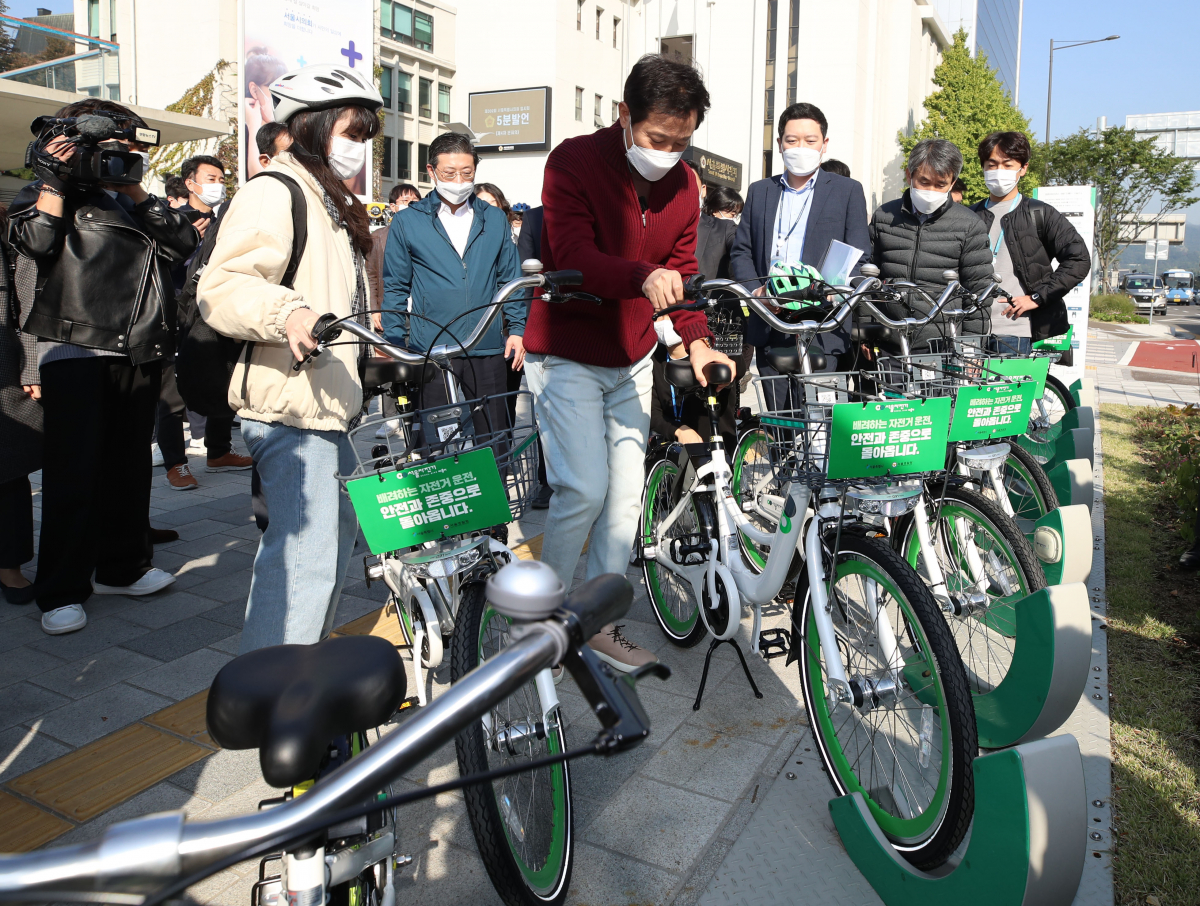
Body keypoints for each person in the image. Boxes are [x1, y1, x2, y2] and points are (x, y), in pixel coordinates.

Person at [522, 53, 734, 672]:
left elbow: (686, 275)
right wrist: (645, 276)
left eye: (682, 141)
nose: (668, 152)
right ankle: (537, 626)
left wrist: (695, 340)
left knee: (622, 502)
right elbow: (573, 252)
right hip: (568, 350)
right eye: (657, 138)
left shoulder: (687, 184)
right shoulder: (573, 161)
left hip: (633, 356)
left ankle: (597, 623)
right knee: (582, 489)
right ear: (624, 116)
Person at [197, 64, 382, 651]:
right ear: (312, 126)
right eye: (352, 132)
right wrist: (287, 314)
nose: (360, 147)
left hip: (328, 404)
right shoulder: (273, 191)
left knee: (329, 546)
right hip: (289, 405)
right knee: (303, 555)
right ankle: (279, 694)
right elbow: (221, 287)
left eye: (366, 136)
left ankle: (300, 672)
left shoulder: (327, 197)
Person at [9, 97, 197, 634]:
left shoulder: (128, 202)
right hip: (75, 349)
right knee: (74, 474)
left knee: (129, 469)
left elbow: (182, 242)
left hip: (137, 348)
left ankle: (123, 566)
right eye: (118, 146)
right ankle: (62, 590)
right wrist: (53, 179)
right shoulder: (45, 194)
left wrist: (134, 186)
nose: (125, 155)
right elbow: (36, 244)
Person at [381, 133, 524, 446]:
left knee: (494, 436)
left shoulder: (494, 219)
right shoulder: (408, 222)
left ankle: (492, 494)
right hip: (432, 349)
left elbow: (509, 278)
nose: (459, 180)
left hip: (485, 346)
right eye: (449, 173)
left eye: (467, 172)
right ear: (431, 172)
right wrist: (394, 343)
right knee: (436, 439)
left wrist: (518, 328)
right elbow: (395, 285)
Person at [730, 102, 871, 373]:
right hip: (771, 318)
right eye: (792, 141)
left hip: (824, 323)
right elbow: (741, 251)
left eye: (810, 140)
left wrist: (832, 291)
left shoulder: (847, 191)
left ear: (824, 143)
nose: (801, 148)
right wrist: (758, 294)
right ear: (780, 143)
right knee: (778, 413)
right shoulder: (761, 191)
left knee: (822, 411)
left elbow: (860, 253)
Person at [866, 138, 992, 351]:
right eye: (924, 181)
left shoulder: (970, 225)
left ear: (952, 183)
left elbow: (979, 293)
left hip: (944, 345)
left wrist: (972, 347)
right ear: (909, 175)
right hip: (890, 340)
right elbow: (867, 279)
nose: (931, 190)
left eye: (940, 184)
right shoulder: (884, 216)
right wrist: (866, 331)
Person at [971, 131, 1090, 355]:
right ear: (983, 168)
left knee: (1008, 390)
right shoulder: (968, 216)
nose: (999, 172)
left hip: (1016, 332)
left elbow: (1079, 259)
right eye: (992, 164)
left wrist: (1037, 298)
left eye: (1008, 165)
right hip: (969, 332)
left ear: (1023, 168)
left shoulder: (1040, 213)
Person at [0, 205, 40, 606]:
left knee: (7, 467)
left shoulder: (11, 226)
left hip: (2, 359)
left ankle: (9, 565)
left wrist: (31, 363)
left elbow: (24, 295)